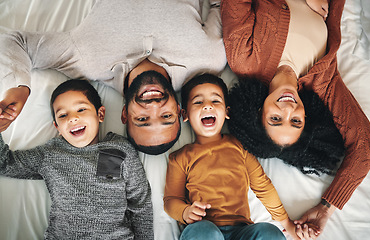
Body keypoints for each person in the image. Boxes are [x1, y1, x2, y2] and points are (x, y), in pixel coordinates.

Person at [221, 0, 370, 238]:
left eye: (275, 118)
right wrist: (326, 209)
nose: (288, 109)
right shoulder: (322, 81)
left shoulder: (244, 59)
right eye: (296, 121)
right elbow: (365, 148)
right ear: (306, 117)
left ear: (259, 113)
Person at [0, 0, 227, 155]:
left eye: (143, 119)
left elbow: (18, 42)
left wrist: (19, 87)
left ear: (124, 115)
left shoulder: (87, 60)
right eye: (166, 116)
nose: (153, 106)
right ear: (179, 110)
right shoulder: (209, 58)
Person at [0, 79, 154, 239]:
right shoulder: (51, 154)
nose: (72, 118)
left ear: (100, 114)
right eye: (63, 115)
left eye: (81, 109)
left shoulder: (120, 150)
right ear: (57, 127)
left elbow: (140, 203)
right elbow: (5, 163)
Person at [163, 74, 300, 240]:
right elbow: (171, 200)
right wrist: (185, 212)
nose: (207, 106)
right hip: (204, 228)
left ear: (226, 112)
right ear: (184, 114)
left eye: (215, 101)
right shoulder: (180, 157)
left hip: (242, 231)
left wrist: (286, 223)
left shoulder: (239, 146)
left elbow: (263, 186)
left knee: (270, 233)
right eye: (198, 102)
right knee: (204, 233)